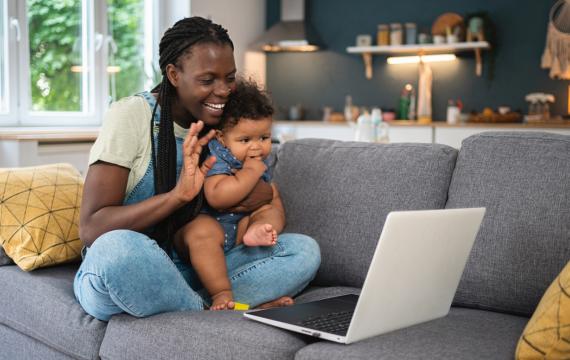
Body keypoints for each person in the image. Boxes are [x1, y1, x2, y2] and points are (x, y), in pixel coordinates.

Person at [73, 16, 321, 321]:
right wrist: (177, 196)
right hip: (129, 268)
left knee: (303, 250)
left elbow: (260, 192)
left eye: (229, 78)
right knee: (118, 247)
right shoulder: (132, 115)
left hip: (195, 268)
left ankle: (203, 305)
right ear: (174, 74)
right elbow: (92, 228)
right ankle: (215, 312)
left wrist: (256, 196)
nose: (223, 91)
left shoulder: (224, 119)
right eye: (208, 80)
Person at [174, 79, 282, 310]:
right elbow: (217, 197)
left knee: (279, 219)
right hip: (207, 231)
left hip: (239, 237)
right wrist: (251, 174)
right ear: (222, 138)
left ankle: (246, 302)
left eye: (264, 138)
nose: (256, 147)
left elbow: (272, 198)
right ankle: (221, 294)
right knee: (202, 229)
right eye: (245, 140)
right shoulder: (218, 155)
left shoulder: (262, 159)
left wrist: (267, 222)